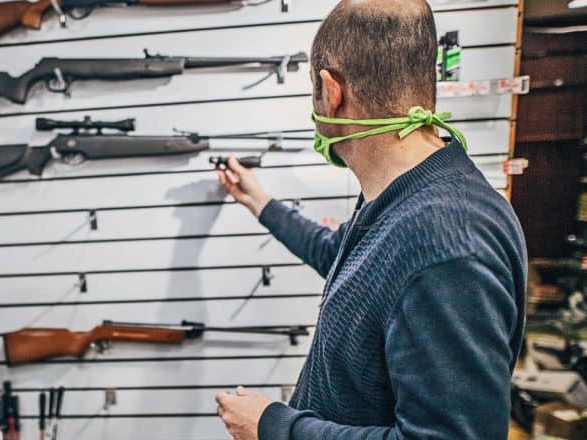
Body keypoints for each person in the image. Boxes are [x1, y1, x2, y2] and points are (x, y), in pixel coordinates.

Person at [213, 0, 527, 439]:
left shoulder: (446, 242)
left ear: (330, 90)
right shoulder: (408, 197)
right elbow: (346, 258)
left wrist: (274, 427)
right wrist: (260, 202)